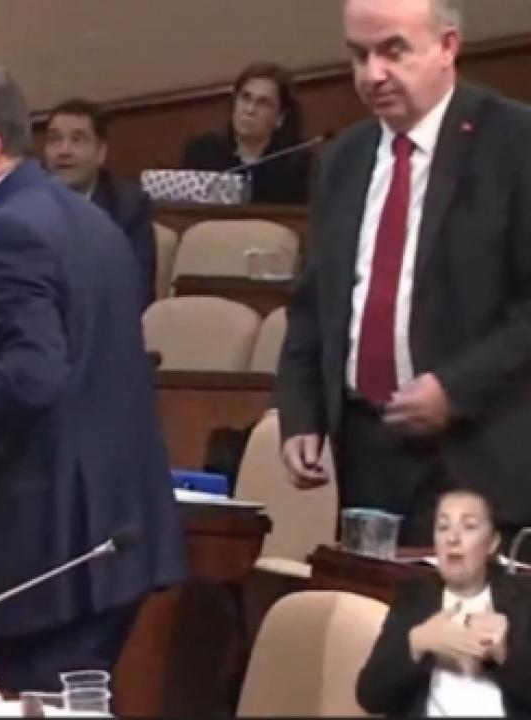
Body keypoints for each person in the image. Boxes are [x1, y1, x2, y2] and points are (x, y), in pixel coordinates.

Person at [0, 61, 185, 692]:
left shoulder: (9, 230)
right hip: (106, 530)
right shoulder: (83, 218)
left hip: (57, 544)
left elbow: (32, 374)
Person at [276, 0, 531, 547]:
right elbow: (313, 304)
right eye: (359, 55)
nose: (373, 75)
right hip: (367, 452)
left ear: (447, 46)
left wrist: (454, 389)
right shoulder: (343, 159)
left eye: (393, 51)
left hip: (478, 452)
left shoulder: (515, 142)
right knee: (367, 602)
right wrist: (302, 413)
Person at [357, 486, 531, 717]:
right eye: (443, 527)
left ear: (492, 543)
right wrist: (418, 642)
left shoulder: (522, 600)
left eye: (469, 526)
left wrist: (503, 655)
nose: (452, 538)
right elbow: (369, 697)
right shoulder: (415, 596)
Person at [44, 98, 156, 307]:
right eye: (55, 140)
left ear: (101, 152)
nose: (63, 151)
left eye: (77, 140)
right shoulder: (25, 202)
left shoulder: (128, 207)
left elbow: (136, 291)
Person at [180, 61, 312, 204]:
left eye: (263, 103)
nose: (250, 109)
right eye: (245, 98)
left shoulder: (298, 166)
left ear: (280, 118)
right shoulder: (201, 152)